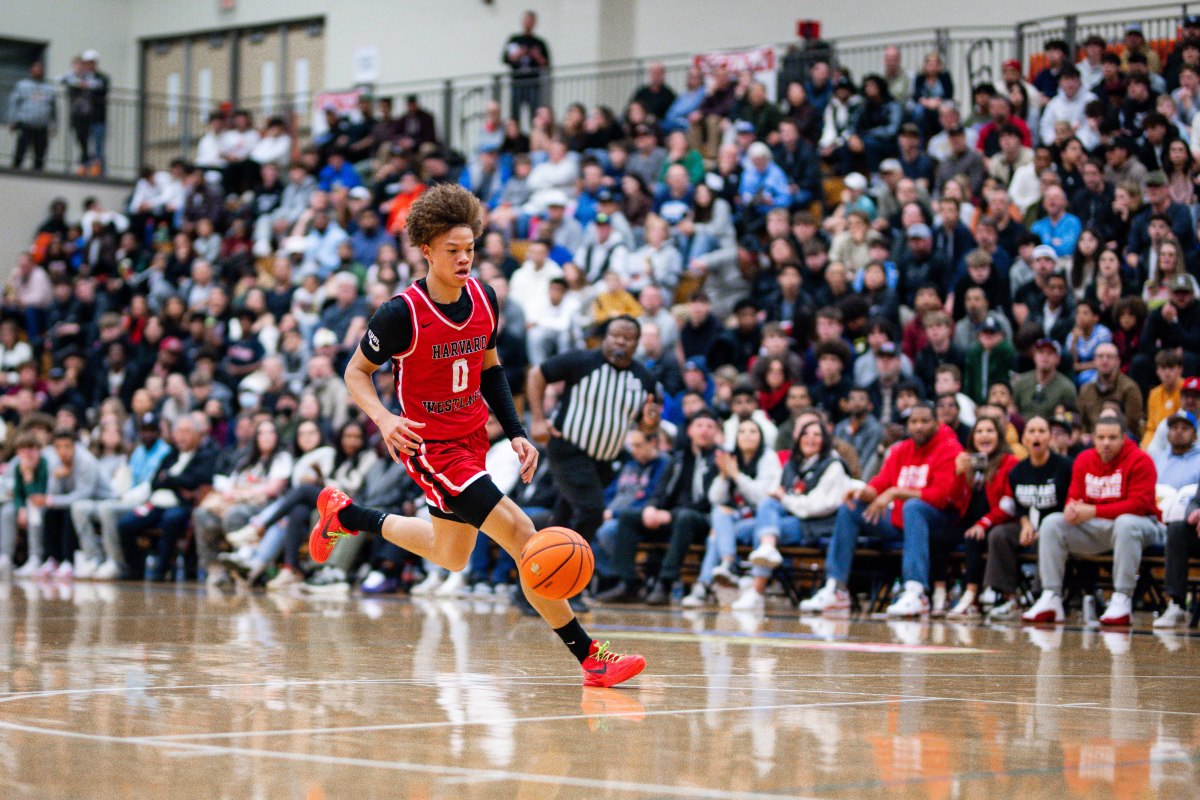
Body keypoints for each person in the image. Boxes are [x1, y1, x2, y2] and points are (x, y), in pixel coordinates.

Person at [308, 184, 645, 687]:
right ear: (426, 250)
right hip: (429, 446)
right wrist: (384, 418)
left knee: (452, 555)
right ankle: (590, 656)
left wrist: (516, 432)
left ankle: (347, 514)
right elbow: (356, 372)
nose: (465, 259)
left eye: (469, 248)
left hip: (471, 442)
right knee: (525, 537)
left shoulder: (485, 297)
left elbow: (491, 370)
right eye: (452, 251)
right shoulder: (401, 314)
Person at [799, 402, 963, 616]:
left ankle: (917, 591)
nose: (918, 426)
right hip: (901, 520)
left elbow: (940, 497)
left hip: (938, 522)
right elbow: (880, 483)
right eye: (914, 422)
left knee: (913, 507)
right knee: (851, 508)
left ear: (937, 423)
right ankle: (836, 588)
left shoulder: (949, 448)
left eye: (925, 421)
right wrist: (863, 492)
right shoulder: (901, 450)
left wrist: (895, 493)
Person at [526, 316, 656, 579]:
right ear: (606, 337)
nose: (621, 340)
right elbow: (536, 374)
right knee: (592, 512)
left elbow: (646, 426)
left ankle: (533, 584)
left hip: (605, 462)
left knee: (562, 521)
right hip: (568, 451)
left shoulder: (645, 378)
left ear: (636, 343)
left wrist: (650, 423)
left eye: (628, 337)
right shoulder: (581, 361)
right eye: (616, 334)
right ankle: (568, 577)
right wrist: (538, 419)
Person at [1022, 417, 1163, 625]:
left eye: (1112, 437)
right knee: (1052, 522)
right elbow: (1074, 496)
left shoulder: (1141, 460)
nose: (1106, 442)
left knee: (1126, 523)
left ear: (1124, 438)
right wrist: (1072, 508)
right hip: (1100, 527)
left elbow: (1138, 506)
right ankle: (1051, 596)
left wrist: (1093, 510)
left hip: (1143, 527)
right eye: (1101, 437)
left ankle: (1122, 598)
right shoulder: (1083, 459)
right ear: (1093, 439)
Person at [598, 410, 720, 606]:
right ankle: (628, 582)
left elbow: (712, 499)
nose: (704, 430)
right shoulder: (678, 458)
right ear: (689, 431)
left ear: (716, 432)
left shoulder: (720, 459)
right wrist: (652, 508)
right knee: (629, 517)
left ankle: (664, 583)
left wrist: (668, 514)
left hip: (704, 518)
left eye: (709, 426)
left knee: (685, 516)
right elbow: (660, 491)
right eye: (699, 426)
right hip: (673, 516)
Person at [734, 420, 851, 611]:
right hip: (792, 518)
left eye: (817, 435)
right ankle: (765, 550)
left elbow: (814, 507)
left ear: (826, 440)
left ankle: (756, 588)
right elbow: (778, 494)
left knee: (761, 529)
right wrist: (779, 497)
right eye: (806, 434)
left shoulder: (833, 465)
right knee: (755, 516)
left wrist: (784, 499)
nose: (810, 439)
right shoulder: (792, 464)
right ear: (798, 438)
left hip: (818, 524)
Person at [685, 419, 782, 609]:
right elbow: (714, 497)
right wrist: (723, 475)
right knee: (719, 512)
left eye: (752, 431)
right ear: (736, 437)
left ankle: (705, 584)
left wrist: (737, 475)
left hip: (760, 520)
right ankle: (728, 563)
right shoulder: (730, 457)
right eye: (742, 431)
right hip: (736, 519)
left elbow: (762, 497)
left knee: (715, 535)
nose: (746, 435)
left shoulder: (768, 458)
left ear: (761, 437)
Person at [983, 416, 1073, 620]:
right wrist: (1025, 525)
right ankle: (1007, 597)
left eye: (1041, 431)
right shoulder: (1017, 472)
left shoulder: (1065, 467)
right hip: (1030, 525)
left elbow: (1071, 502)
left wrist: (1043, 529)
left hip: (1059, 528)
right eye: (1031, 431)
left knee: (1047, 536)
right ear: (1023, 439)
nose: (1036, 435)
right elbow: (1020, 506)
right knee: (999, 534)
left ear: (1050, 437)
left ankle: (1041, 595)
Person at [7, 61, 56, 171]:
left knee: (40, 154)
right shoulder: (22, 85)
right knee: (20, 152)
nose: (38, 72)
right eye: (35, 69)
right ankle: (15, 173)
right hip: (26, 124)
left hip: (42, 127)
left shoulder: (49, 88)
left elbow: (53, 108)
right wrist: (12, 120)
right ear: (31, 71)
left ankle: (38, 178)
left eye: (40, 70)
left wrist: (54, 125)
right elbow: (14, 103)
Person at [502, 10, 551, 122]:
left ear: (534, 23)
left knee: (534, 113)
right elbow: (505, 58)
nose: (528, 23)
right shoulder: (514, 40)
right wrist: (519, 54)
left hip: (533, 82)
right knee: (515, 113)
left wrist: (536, 56)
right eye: (526, 20)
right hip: (517, 82)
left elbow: (547, 64)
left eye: (531, 21)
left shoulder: (539, 43)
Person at [1012, 338, 1077, 420]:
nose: (1045, 356)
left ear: (1058, 359)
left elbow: (1072, 417)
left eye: (1050, 353)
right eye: (1041, 352)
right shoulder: (1020, 382)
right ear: (1034, 356)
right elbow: (1012, 410)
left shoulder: (1067, 388)